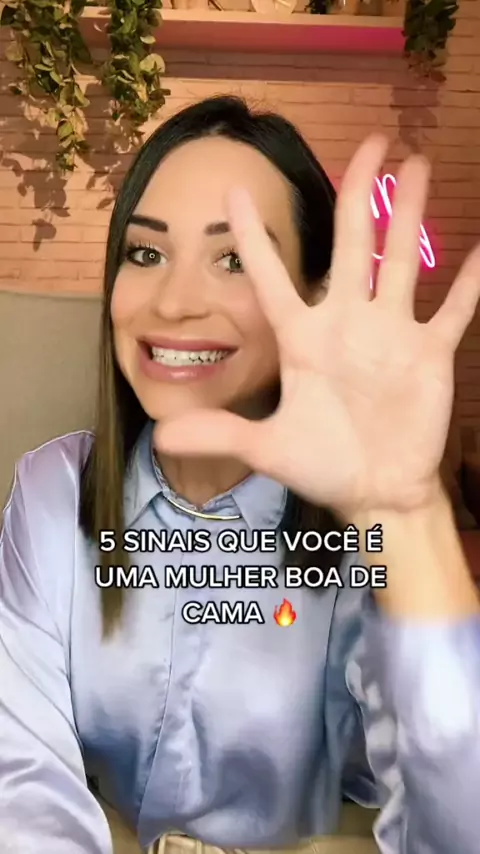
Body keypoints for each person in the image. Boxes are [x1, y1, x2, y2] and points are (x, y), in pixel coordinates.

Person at [1, 95, 479, 854]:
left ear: (316, 295)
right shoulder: (53, 489)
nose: (173, 303)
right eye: (145, 253)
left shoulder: (357, 538)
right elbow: (20, 779)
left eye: (235, 259)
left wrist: (405, 515)